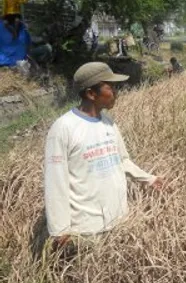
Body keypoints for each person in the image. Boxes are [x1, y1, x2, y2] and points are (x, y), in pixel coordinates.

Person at [44, 62, 164, 248]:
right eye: (111, 87)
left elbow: (122, 160)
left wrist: (148, 179)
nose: (116, 92)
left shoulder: (108, 122)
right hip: (88, 230)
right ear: (92, 94)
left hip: (119, 220)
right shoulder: (63, 128)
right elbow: (55, 182)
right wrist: (60, 230)